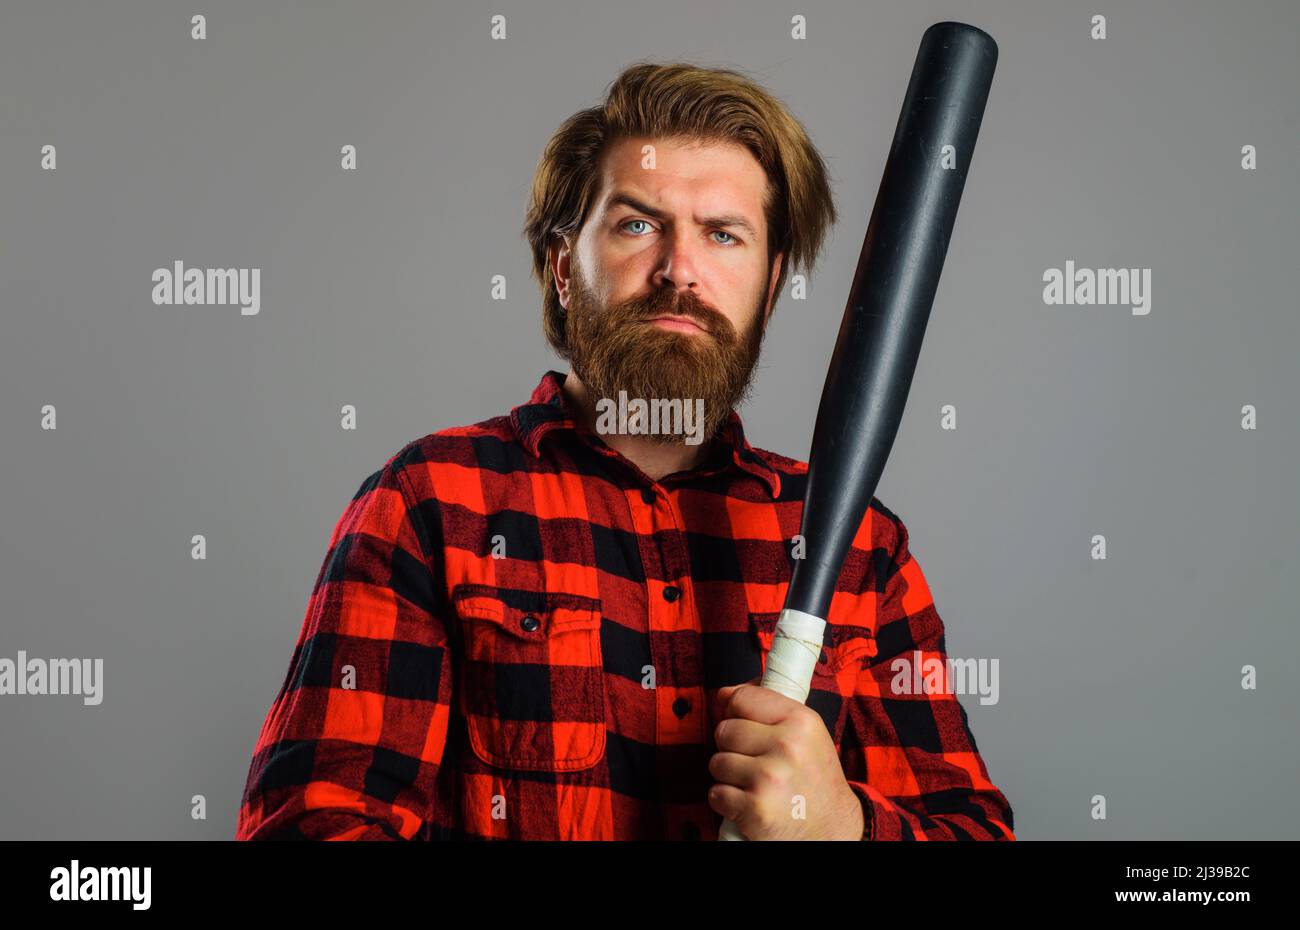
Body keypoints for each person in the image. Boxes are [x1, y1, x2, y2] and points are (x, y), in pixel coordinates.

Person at [236, 61, 1014, 841]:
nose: (680, 269)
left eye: (723, 234)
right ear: (564, 269)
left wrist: (845, 828)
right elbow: (311, 826)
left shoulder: (863, 551)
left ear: (771, 284)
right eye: (637, 224)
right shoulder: (432, 503)